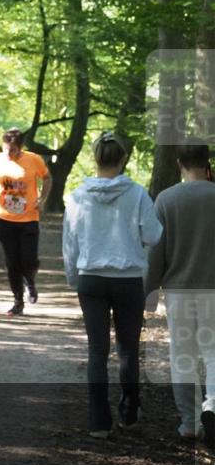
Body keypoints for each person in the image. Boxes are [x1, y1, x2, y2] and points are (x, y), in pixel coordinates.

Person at [62, 132, 162, 439]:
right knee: (129, 350)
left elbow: (70, 243)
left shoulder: (78, 196)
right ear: (123, 159)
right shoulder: (137, 194)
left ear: (95, 158)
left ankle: (98, 422)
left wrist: (72, 277)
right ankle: (130, 414)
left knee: (97, 350)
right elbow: (154, 236)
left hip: (91, 279)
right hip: (128, 279)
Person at [145, 140, 215, 445]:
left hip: (179, 290)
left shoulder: (165, 199)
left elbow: (155, 251)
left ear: (179, 163)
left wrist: (149, 290)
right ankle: (212, 406)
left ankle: (189, 423)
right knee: (214, 354)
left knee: (183, 356)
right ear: (207, 161)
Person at [0, 128, 52, 316]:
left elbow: (47, 178)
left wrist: (42, 199)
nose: (8, 154)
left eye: (12, 150)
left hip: (29, 218)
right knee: (12, 263)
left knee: (29, 260)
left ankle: (30, 280)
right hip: (4, 218)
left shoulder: (33, 159)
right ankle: (18, 300)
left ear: (21, 148)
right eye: (5, 149)